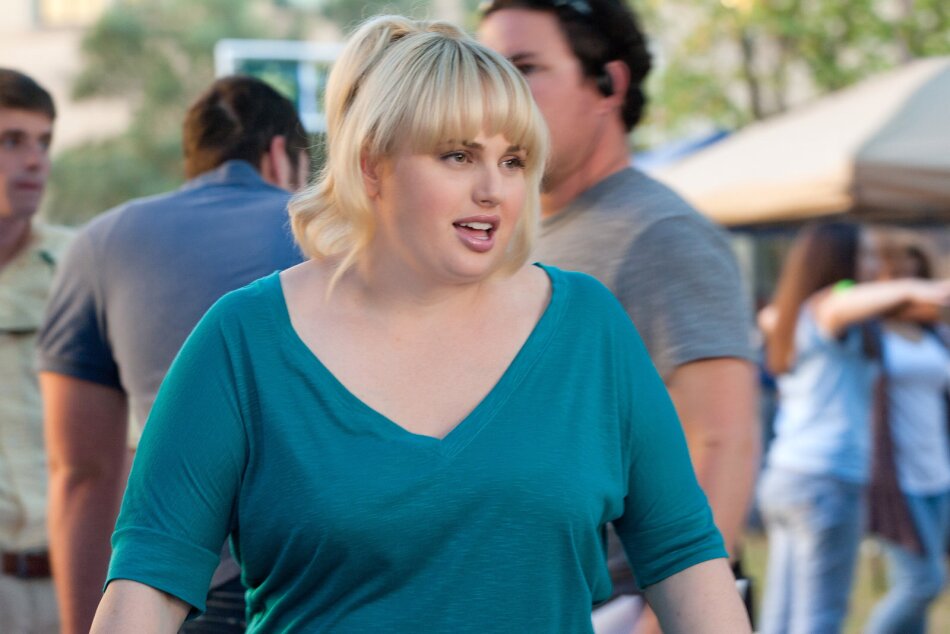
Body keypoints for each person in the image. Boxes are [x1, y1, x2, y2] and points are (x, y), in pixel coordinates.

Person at [88, 15, 750, 633]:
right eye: (458, 156)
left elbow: (686, 558)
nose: (493, 189)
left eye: (514, 160)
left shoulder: (588, 328)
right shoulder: (242, 341)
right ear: (371, 164)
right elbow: (147, 583)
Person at [477, 2, 759, 630]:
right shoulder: (506, 230)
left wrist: (662, 622)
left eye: (525, 68)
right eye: (488, 71)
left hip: (614, 607)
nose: (499, 95)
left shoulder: (663, 234)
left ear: (609, 85)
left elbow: (722, 443)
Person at [36, 76, 310, 634]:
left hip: (174, 588)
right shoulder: (336, 237)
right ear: (281, 155)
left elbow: (81, 472)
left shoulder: (100, 243)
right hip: (317, 579)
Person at [756, 222, 950, 634]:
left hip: (788, 474)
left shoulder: (796, 311)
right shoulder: (831, 304)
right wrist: (922, 288)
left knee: (783, 614)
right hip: (826, 479)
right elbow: (851, 297)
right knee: (819, 618)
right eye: (865, 255)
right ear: (837, 260)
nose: (874, 265)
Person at [0, 67, 72, 634]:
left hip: (72, 577)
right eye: (11, 140)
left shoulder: (80, 265)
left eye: (44, 142)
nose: (34, 161)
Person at [865, 240, 950, 634]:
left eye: (918, 275)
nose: (911, 284)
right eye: (900, 275)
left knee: (920, 589)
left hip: (937, 471)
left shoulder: (933, 334)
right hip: (894, 478)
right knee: (923, 582)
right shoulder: (865, 331)